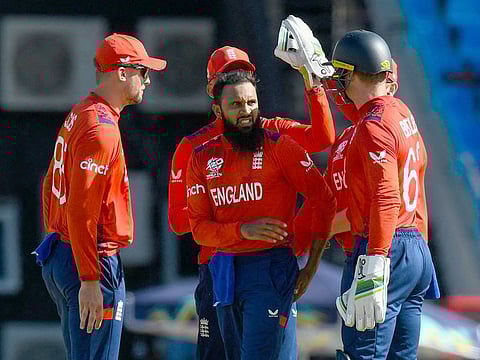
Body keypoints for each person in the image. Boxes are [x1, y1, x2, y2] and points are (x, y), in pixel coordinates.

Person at [168, 43, 335, 359]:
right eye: (228, 77)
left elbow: (322, 140)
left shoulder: (272, 134)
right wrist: (238, 223)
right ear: (213, 93)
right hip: (216, 270)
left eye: (245, 75)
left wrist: (313, 84)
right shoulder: (195, 150)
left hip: (268, 264)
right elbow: (182, 223)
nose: (245, 108)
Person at [34, 33, 166, 360]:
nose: (147, 81)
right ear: (122, 72)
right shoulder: (101, 128)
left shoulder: (81, 112)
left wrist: (58, 237)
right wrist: (89, 278)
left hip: (63, 255)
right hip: (91, 261)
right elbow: (81, 209)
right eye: (143, 71)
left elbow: (50, 182)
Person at [327, 30, 436, 360]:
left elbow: (386, 194)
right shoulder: (400, 111)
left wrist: (375, 260)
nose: (340, 86)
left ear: (351, 74)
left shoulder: (372, 126)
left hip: (384, 244)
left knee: (362, 355)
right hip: (415, 246)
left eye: (342, 77)